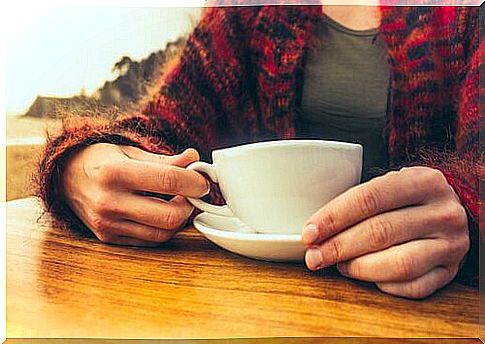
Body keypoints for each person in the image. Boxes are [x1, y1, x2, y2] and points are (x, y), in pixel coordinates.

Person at [36, 5, 481, 299]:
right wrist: (80, 165)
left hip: (426, 311)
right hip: (247, 299)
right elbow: (159, 137)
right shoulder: (247, 17)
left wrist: (469, 212)